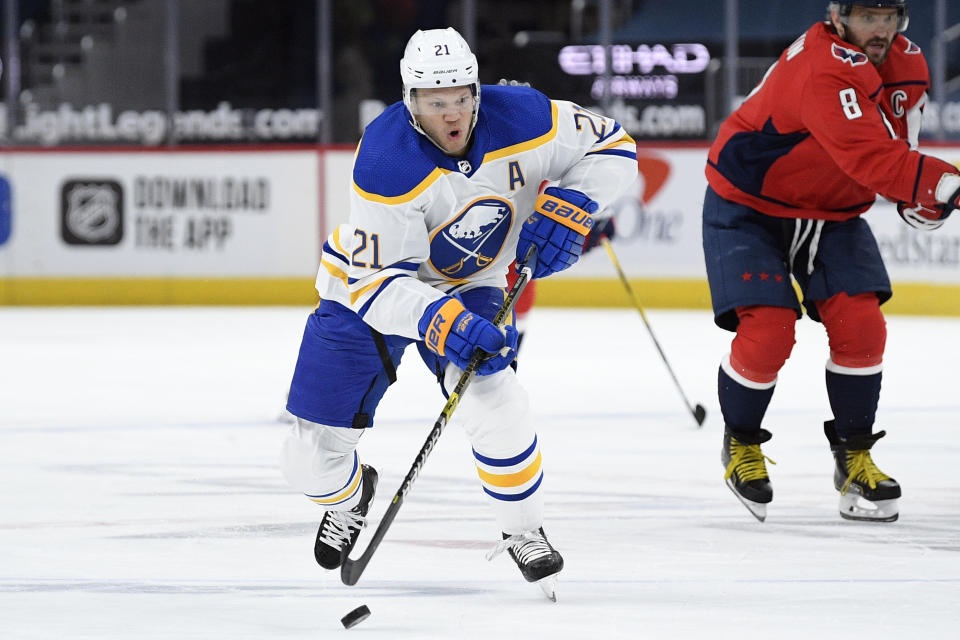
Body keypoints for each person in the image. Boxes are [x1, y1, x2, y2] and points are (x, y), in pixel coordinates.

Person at [281, 27, 637, 598]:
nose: (453, 115)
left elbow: (613, 145)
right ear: (411, 100)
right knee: (306, 455)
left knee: (499, 403)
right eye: (436, 102)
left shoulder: (524, 115)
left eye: (461, 98)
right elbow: (379, 282)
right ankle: (349, 498)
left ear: (477, 90)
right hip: (370, 290)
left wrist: (578, 201)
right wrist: (438, 320)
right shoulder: (383, 159)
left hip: (473, 282)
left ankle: (524, 529)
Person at [702, 0, 960, 523]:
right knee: (769, 330)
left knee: (863, 327)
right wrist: (942, 184)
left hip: (835, 212)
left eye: (890, 17)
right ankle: (741, 443)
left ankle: (854, 457)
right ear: (838, 17)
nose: (881, 29)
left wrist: (918, 197)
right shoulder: (824, 65)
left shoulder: (909, 63)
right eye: (869, 16)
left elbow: (897, 148)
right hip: (749, 204)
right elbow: (869, 156)